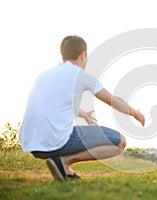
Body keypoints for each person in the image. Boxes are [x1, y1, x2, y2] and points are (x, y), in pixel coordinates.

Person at [19, 35, 145, 181]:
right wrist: (135, 112)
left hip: (33, 144)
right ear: (83, 55)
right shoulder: (80, 76)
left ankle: (63, 167)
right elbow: (114, 101)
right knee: (119, 142)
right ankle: (64, 161)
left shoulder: (43, 76)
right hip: (58, 142)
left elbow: (50, 105)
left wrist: (83, 114)